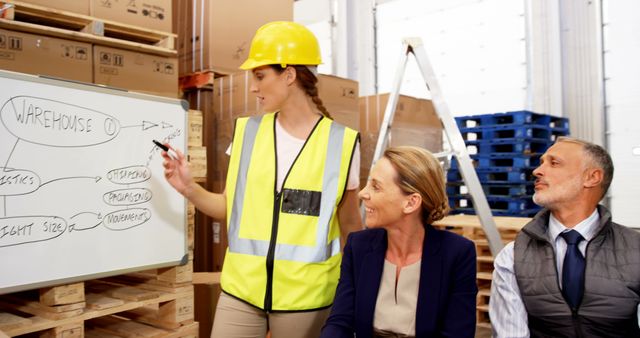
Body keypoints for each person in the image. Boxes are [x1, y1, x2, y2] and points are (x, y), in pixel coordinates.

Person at [160, 21, 362, 338]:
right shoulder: (247, 134)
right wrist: (188, 187)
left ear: (290, 75)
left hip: (306, 298)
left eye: (260, 76)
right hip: (241, 292)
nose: (253, 87)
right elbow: (228, 206)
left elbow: (351, 227)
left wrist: (354, 295)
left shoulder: (342, 143)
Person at [320, 146, 478, 338]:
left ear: (411, 202)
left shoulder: (457, 253)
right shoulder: (358, 246)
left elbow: (457, 333)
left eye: (375, 187)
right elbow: (340, 322)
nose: (362, 193)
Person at [489, 137, 640, 337]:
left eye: (554, 163)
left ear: (592, 177)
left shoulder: (636, 250)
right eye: (541, 162)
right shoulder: (513, 257)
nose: (537, 171)